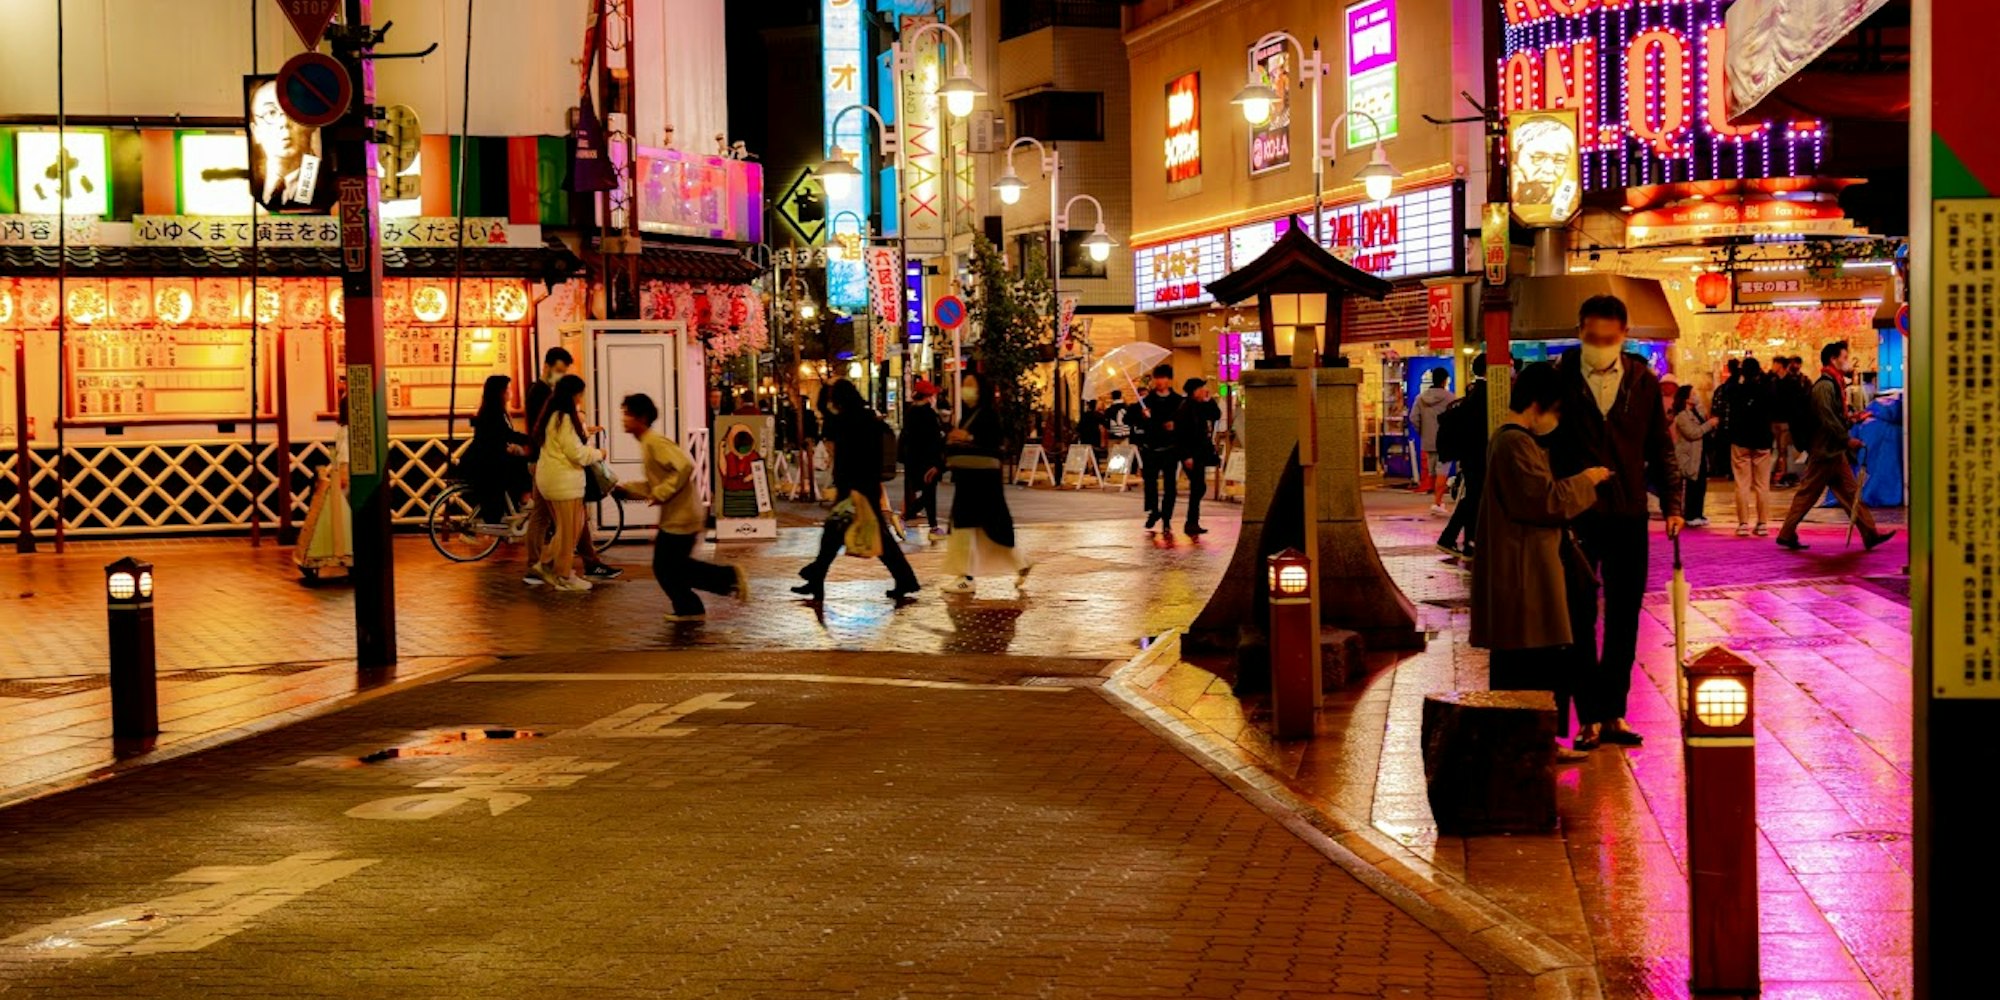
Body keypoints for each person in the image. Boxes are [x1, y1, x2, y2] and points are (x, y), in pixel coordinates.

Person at [1546, 295, 1682, 751]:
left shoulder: (1643, 381)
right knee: (1578, 617)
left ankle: (1614, 713)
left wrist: (1675, 504)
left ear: (1624, 335)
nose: (1599, 345)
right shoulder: (1559, 378)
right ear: (1579, 330)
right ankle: (1588, 717)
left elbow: (1660, 446)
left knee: (1625, 617)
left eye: (1609, 338)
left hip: (1628, 514)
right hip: (1577, 514)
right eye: (1591, 337)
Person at [1470, 362, 1612, 761]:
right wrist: (1588, 480)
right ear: (1539, 404)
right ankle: (1532, 744)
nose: (1557, 419)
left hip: (1526, 564)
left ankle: (1538, 742)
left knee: (1536, 660)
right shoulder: (1514, 442)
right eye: (1557, 410)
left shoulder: (1511, 441)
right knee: (1531, 661)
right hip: (1524, 570)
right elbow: (1544, 500)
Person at [615, 393, 747, 622]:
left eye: (628, 414)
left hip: (683, 517)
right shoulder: (648, 444)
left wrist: (661, 493)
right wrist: (627, 490)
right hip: (678, 516)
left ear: (642, 417)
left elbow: (684, 466)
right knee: (673, 567)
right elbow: (656, 483)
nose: (623, 419)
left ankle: (723, 583)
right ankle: (695, 603)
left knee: (667, 567)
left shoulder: (655, 443)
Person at [793, 380, 920, 602]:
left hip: (853, 489)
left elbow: (824, 412)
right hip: (865, 487)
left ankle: (816, 577)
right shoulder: (868, 418)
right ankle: (816, 578)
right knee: (846, 535)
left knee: (837, 534)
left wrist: (824, 391)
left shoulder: (846, 420)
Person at [1775, 341, 1899, 552]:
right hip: (1825, 451)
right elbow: (1827, 418)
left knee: (1851, 493)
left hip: (1833, 451)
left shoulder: (1835, 383)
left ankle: (1870, 534)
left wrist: (1852, 419)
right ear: (1833, 359)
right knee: (1808, 494)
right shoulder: (1825, 386)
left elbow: (1835, 417)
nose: (1847, 361)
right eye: (1844, 357)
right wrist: (1846, 439)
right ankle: (1786, 533)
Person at [522, 347, 620, 584]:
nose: (560, 375)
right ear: (546, 366)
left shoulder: (553, 402)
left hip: (548, 468)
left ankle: (573, 563)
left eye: (563, 371)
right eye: (558, 370)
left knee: (569, 522)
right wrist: (597, 452)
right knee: (563, 523)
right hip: (554, 470)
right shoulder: (542, 395)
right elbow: (569, 447)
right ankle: (548, 568)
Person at [940, 371, 1030, 594]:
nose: (967, 390)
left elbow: (993, 441)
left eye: (971, 386)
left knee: (973, 527)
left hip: (981, 481)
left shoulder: (988, 414)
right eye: (965, 385)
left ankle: (966, 578)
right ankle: (1020, 562)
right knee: (983, 529)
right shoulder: (970, 415)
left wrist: (968, 437)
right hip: (970, 479)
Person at [530, 375, 604, 592]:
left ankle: (546, 565)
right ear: (573, 394)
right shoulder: (564, 418)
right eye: (580, 394)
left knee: (568, 528)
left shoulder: (552, 416)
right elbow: (576, 454)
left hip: (551, 479)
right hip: (565, 482)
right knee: (569, 530)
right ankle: (562, 575)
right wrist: (600, 453)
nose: (581, 399)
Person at [1437, 353, 1491, 557]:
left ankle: (1467, 543)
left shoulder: (1472, 392)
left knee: (1474, 498)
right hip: (1478, 454)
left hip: (1470, 454)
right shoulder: (1484, 394)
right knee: (1474, 499)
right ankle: (1455, 539)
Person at [462, 375, 532, 524]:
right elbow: (506, 434)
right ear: (500, 392)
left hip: (486, 458)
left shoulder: (493, 410)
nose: (510, 392)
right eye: (508, 389)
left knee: (519, 462)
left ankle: (518, 505)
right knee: (520, 464)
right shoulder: (494, 412)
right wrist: (530, 439)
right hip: (486, 462)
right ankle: (524, 500)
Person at [1718, 356, 1775, 536]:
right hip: (1762, 440)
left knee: (1742, 484)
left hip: (1740, 440)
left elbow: (1726, 390)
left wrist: (1737, 375)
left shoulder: (1735, 390)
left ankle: (1743, 523)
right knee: (1762, 485)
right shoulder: (1766, 390)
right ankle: (1762, 523)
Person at [247, 78, 321, 212]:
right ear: (256, 131)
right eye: (271, 113)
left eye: (293, 110)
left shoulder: (326, 183)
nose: (284, 122)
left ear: (311, 123)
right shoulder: (247, 193)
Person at [1137, 364, 1185, 535]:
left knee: (1170, 485)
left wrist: (1175, 425)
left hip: (1170, 448)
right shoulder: (1146, 401)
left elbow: (1185, 423)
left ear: (1169, 380)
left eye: (1163, 378)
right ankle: (1153, 511)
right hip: (1151, 448)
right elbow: (1132, 420)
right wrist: (1143, 416)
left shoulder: (1178, 401)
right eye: (1157, 378)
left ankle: (1166, 518)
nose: (1160, 381)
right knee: (1150, 483)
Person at [899, 380, 948, 535]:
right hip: (928, 460)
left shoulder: (910, 413)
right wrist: (937, 461)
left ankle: (928, 524)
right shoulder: (928, 414)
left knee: (928, 494)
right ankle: (907, 517)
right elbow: (933, 439)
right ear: (928, 396)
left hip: (914, 459)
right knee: (929, 494)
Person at [1176, 378, 1222, 536]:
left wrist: (1209, 401)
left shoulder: (1200, 406)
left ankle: (1192, 522)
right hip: (1191, 454)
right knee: (1198, 486)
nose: (1204, 390)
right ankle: (1191, 522)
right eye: (1201, 388)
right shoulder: (1185, 408)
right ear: (1194, 391)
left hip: (1200, 452)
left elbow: (1216, 415)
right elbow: (1180, 434)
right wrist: (1186, 456)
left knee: (1198, 487)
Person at [1671, 385, 1719, 527]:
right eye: (1693, 393)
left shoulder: (1696, 411)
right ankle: (1690, 514)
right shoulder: (1681, 416)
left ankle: (1698, 513)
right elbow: (1693, 433)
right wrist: (1709, 424)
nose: (1696, 396)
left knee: (1701, 485)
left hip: (1700, 454)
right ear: (1686, 397)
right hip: (1690, 456)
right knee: (1692, 485)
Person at [1413, 368, 1456, 514]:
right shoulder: (1450, 398)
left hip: (1428, 440)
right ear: (1445, 380)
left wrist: (1423, 432)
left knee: (1433, 472)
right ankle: (1437, 502)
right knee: (1442, 472)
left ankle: (1437, 501)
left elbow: (1413, 418)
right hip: (1445, 441)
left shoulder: (1420, 398)